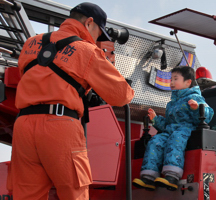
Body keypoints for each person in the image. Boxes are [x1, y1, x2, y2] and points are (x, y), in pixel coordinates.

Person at [8, 2, 134, 200]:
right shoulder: (87, 51)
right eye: (98, 34)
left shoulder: (30, 44)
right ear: (90, 22)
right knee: (74, 193)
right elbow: (121, 96)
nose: (97, 39)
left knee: (26, 194)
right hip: (60, 125)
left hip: (23, 126)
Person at [132, 66, 213, 191]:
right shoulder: (171, 103)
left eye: (175, 79)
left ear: (188, 82)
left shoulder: (195, 97)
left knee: (175, 139)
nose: (171, 82)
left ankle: (172, 176)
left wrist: (197, 108)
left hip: (186, 130)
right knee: (156, 140)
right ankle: (149, 177)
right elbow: (167, 125)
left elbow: (208, 114)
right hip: (171, 131)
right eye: (171, 79)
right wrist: (155, 119)